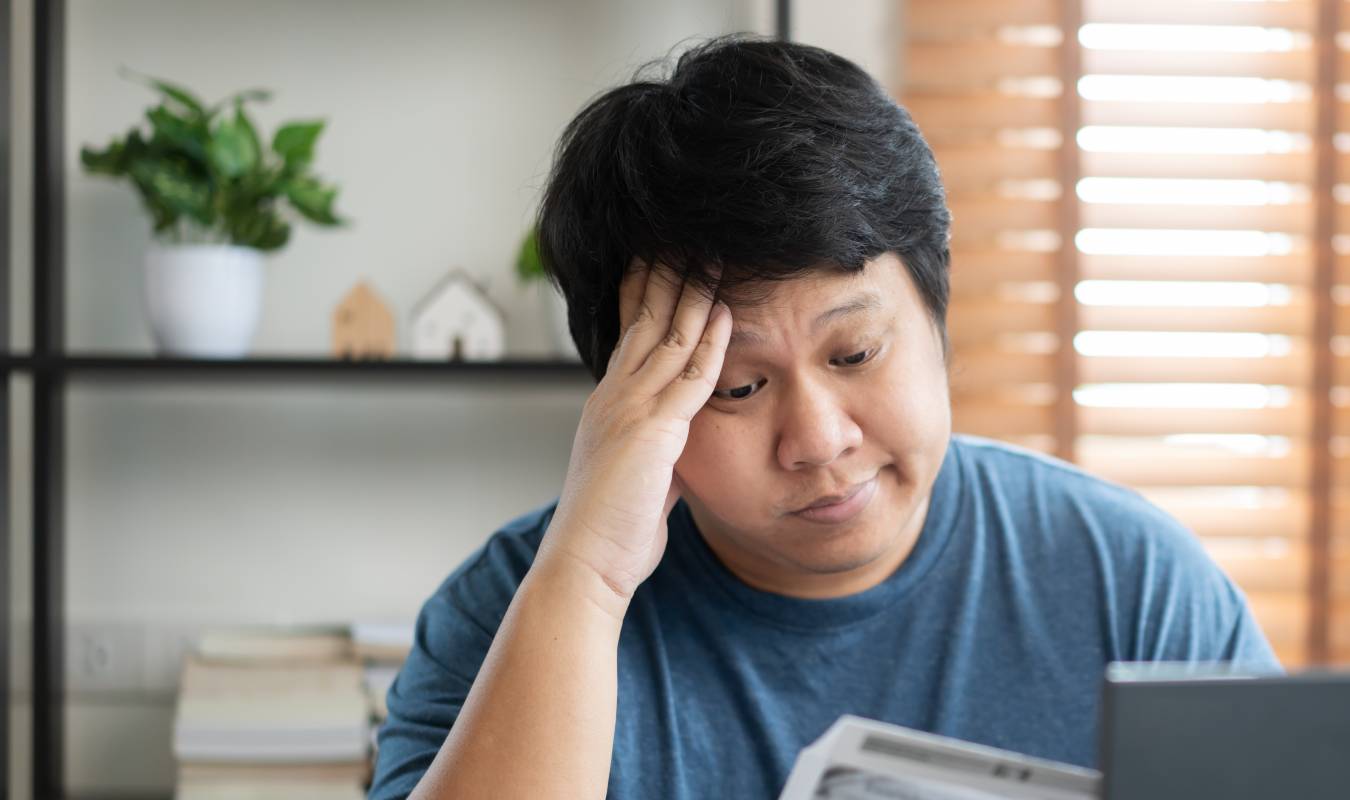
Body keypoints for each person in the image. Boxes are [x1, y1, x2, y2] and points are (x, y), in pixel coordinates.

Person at [368, 35, 1279, 800]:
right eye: (734, 387)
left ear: (939, 321)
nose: (818, 441)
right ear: (623, 399)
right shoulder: (513, 612)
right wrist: (591, 582)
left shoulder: (1132, 584)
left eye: (855, 356)